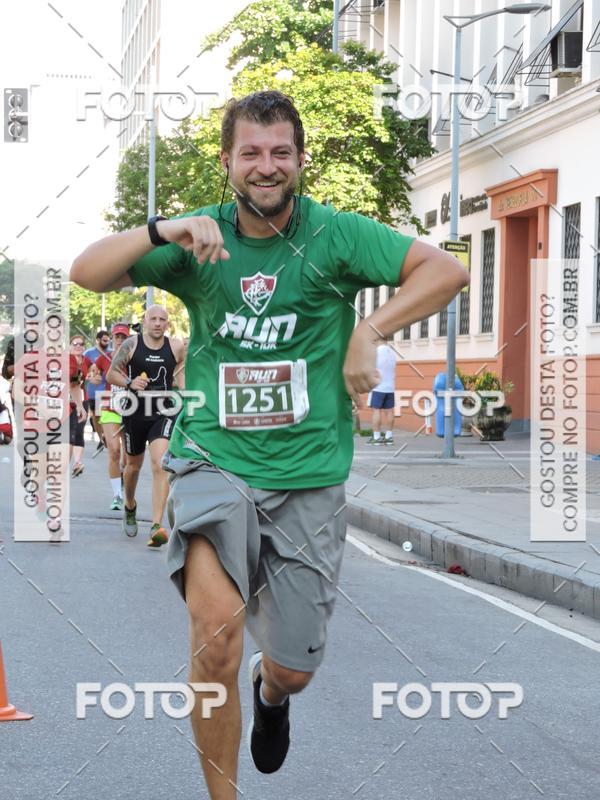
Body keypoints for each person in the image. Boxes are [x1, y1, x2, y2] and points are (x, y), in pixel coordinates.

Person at [70, 90, 469, 798]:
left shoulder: (336, 234)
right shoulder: (198, 239)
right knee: (215, 635)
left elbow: (447, 270)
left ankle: (272, 692)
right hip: (213, 460)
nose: (266, 165)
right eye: (250, 152)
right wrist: (163, 228)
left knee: (293, 669)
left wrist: (370, 330)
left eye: (280, 151)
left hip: (308, 473)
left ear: (300, 160)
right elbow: (86, 272)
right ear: (227, 161)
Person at [106, 305, 185, 547]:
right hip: (135, 412)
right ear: (145, 321)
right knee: (133, 466)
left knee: (160, 463)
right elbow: (111, 374)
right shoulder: (131, 345)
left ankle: (156, 526)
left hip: (164, 410)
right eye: (153, 319)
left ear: (167, 323)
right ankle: (130, 505)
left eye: (162, 319)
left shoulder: (176, 347)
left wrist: (186, 398)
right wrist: (130, 382)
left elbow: (181, 377)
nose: (158, 323)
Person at [94, 322, 130, 510]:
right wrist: (93, 378)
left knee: (128, 458)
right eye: (117, 337)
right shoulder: (104, 358)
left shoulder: (135, 358)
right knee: (114, 451)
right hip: (109, 407)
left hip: (132, 409)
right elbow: (93, 375)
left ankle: (122, 477)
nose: (120, 340)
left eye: (124, 337)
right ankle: (117, 496)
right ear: (112, 338)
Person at [69, 335, 93, 476]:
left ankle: (77, 462)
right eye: (75, 343)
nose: (78, 346)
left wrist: (92, 375)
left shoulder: (86, 360)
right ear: (69, 346)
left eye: (81, 344)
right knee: (68, 432)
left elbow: (95, 370)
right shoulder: (65, 359)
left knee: (79, 430)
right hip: (65, 401)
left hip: (82, 399)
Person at [83, 330, 111, 451]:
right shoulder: (88, 353)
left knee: (104, 415)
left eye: (108, 340)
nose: (107, 343)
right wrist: (89, 377)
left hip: (106, 390)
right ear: (98, 340)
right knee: (96, 416)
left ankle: (106, 436)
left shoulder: (111, 353)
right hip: (92, 391)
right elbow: (83, 369)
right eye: (104, 340)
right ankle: (101, 439)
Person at [367, 339, 397, 445]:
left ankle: (377, 437)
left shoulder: (375, 352)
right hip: (390, 387)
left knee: (376, 411)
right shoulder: (393, 352)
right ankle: (389, 437)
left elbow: (369, 368)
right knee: (390, 411)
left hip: (378, 387)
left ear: (378, 339)